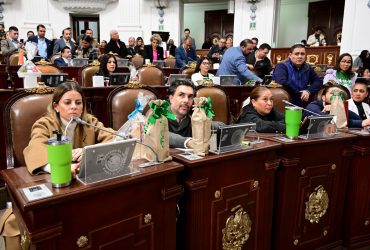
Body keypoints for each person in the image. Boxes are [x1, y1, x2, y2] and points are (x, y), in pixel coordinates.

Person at [23, 81, 114, 175]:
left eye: (78, 103)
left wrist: (89, 151)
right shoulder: (44, 124)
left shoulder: (90, 122)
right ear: (56, 106)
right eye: (67, 103)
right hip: (56, 179)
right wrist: (61, 169)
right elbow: (35, 149)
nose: (74, 107)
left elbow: (115, 138)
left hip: (85, 176)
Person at [167, 80, 223, 148]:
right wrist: (189, 142)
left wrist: (204, 118)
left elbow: (219, 126)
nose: (186, 100)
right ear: (171, 99)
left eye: (190, 97)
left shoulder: (193, 117)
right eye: (181, 95)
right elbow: (160, 134)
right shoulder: (157, 113)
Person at [302, 84, 370, 128]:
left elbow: (358, 119)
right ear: (323, 97)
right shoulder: (314, 105)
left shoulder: (341, 108)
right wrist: (360, 123)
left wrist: (338, 109)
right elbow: (328, 120)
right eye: (333, 93)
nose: (337, 96)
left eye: (340, 94)